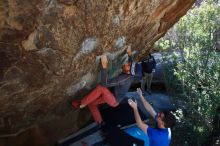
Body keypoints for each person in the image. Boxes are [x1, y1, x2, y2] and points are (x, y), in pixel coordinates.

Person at [72, 46, 142, 124]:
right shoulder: (131, 72)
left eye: (128, 65)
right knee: (92, 103)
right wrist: (129, 53)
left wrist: (104, 66)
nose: (126, 63)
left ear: (129, 72)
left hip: (114, 100)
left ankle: (82, 104)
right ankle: (100, 121)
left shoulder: (123, 78)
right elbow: (131, 61)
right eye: (128, 63)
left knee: (101, 87)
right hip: (112, 95)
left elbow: (104, 84)